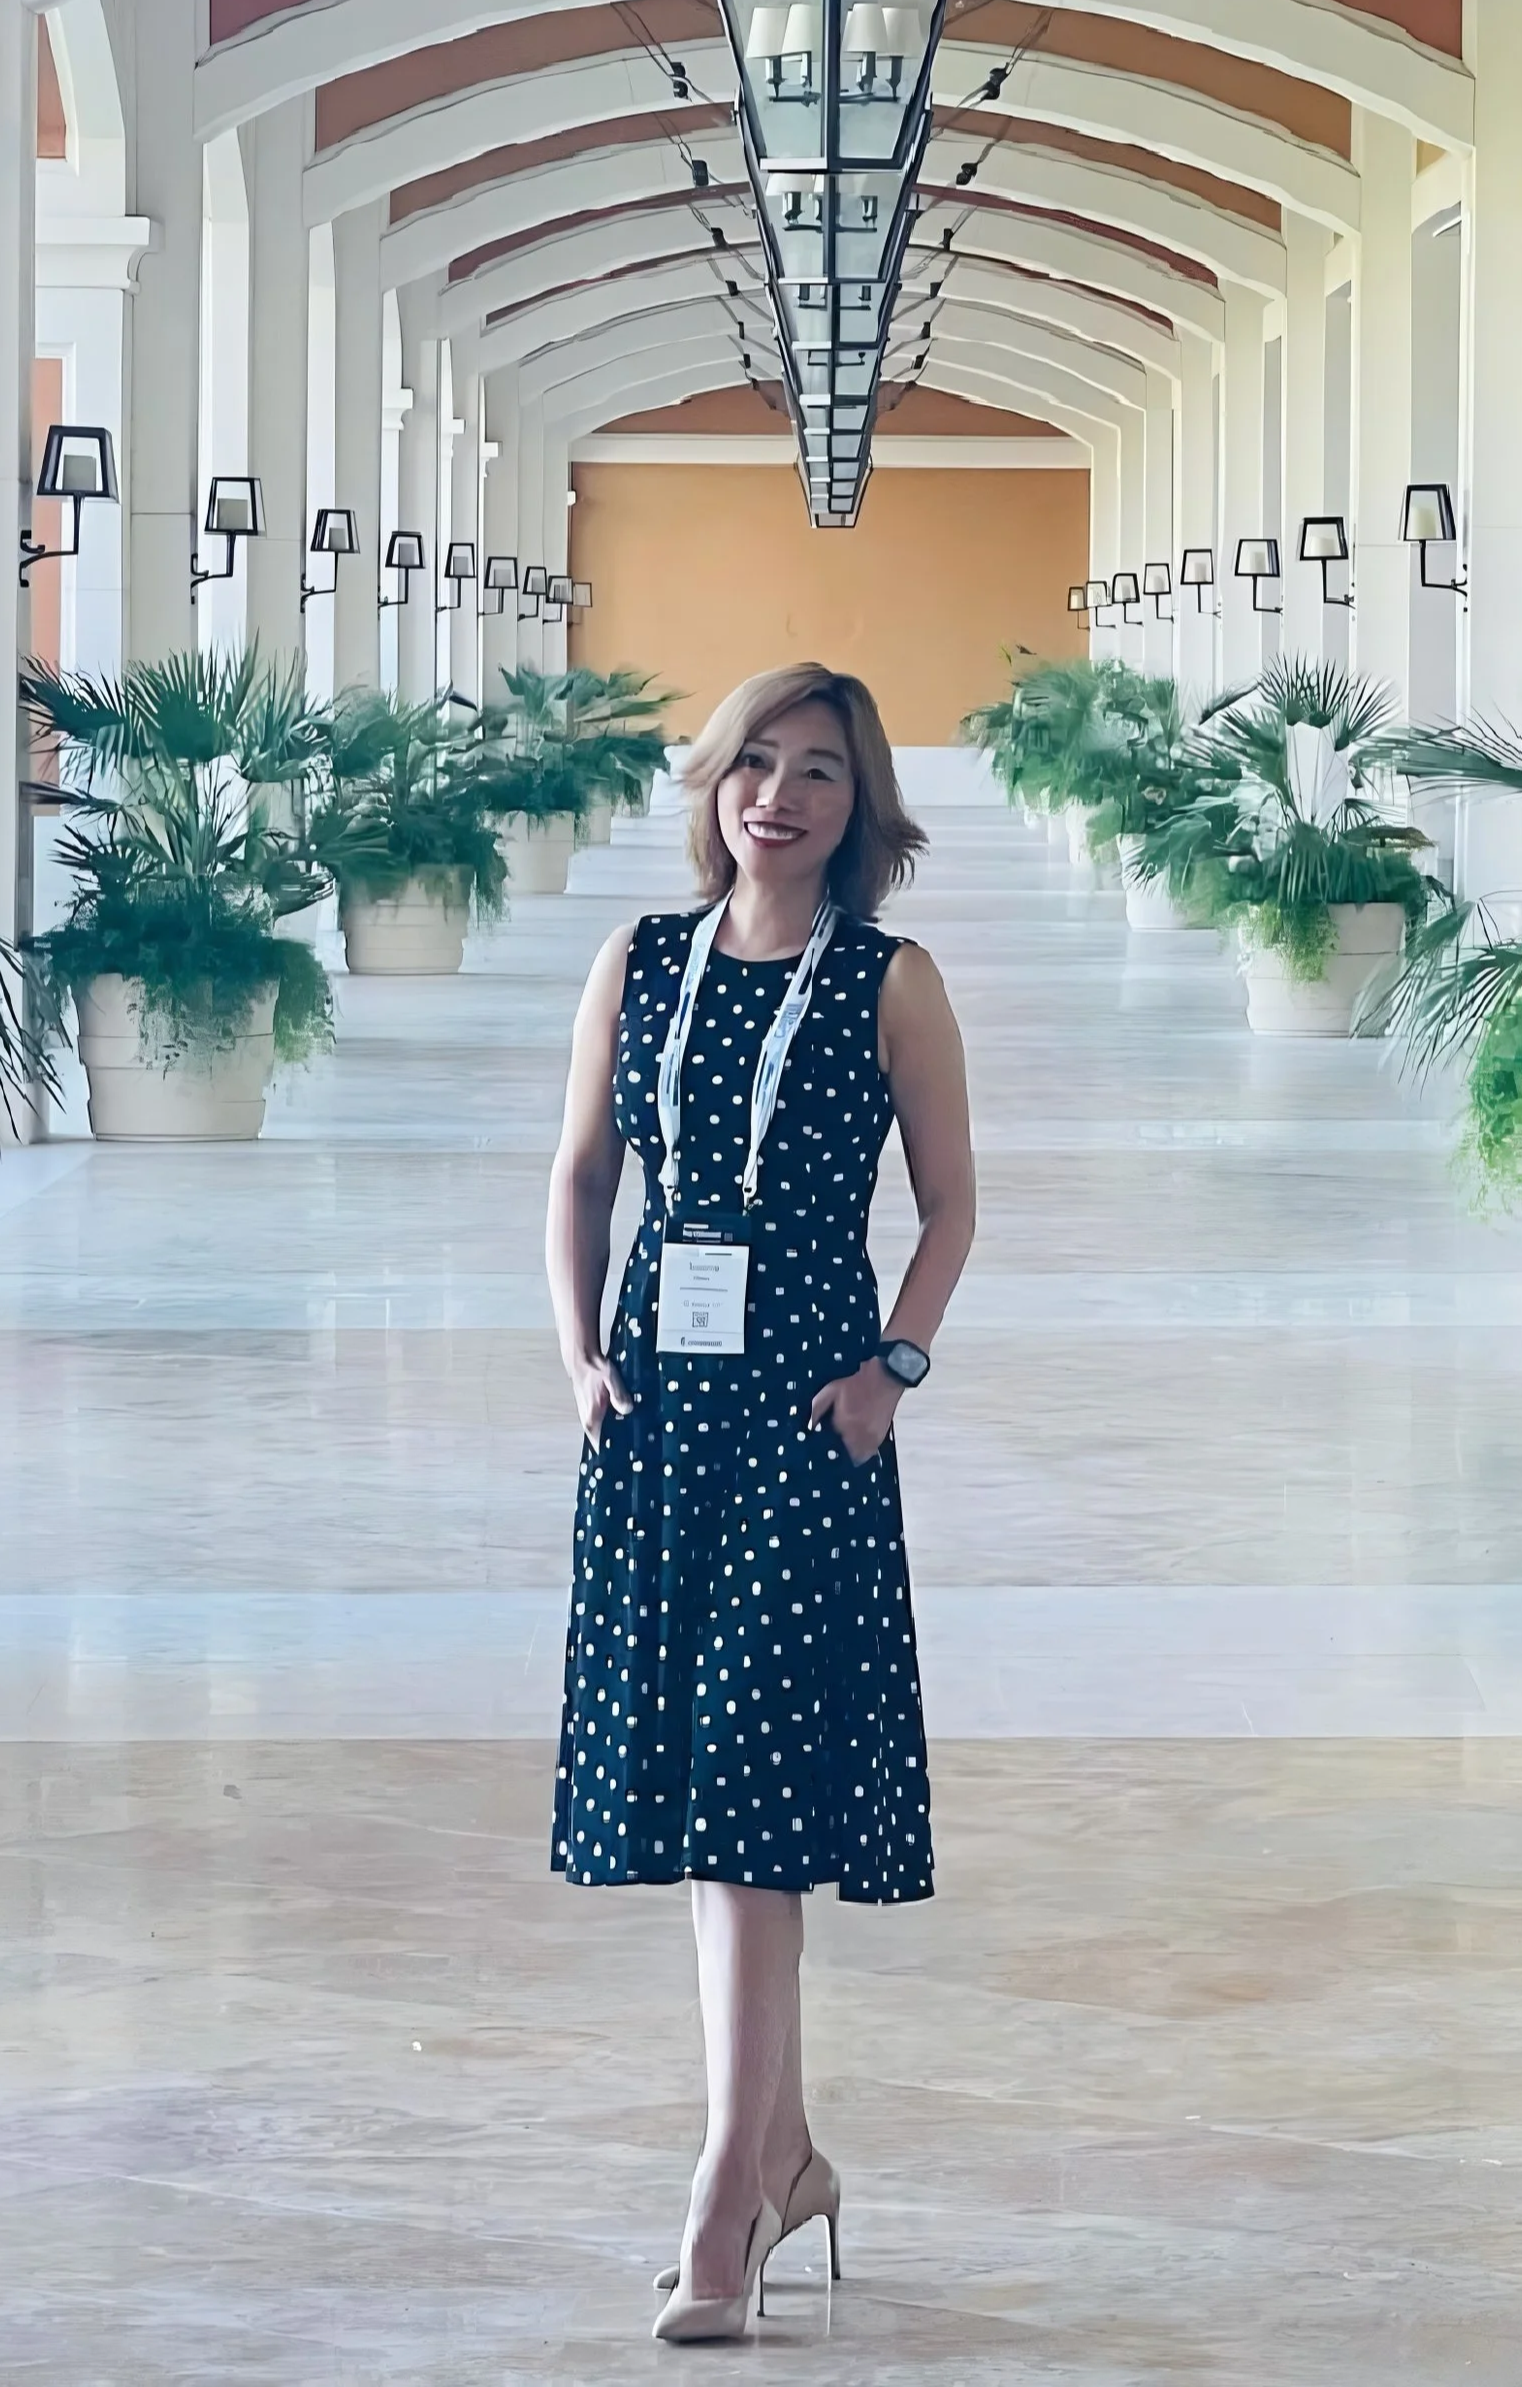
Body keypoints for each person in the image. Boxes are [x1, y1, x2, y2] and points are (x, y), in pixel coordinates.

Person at [545, 662, 977, 2343]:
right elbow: (584, 1171)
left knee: (752, 1794)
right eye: (755, 765)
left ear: (859, 807)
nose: (777, 798)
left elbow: (950, 1204)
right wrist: (581, 1353)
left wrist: (892, 1372)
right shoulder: (641, 960)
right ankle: (785, 2153)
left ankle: (729, 2187)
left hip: (807, 1422)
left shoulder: (889, 980)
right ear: (715, 784)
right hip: (659, 1419)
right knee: (708, 1795)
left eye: (817, 773)